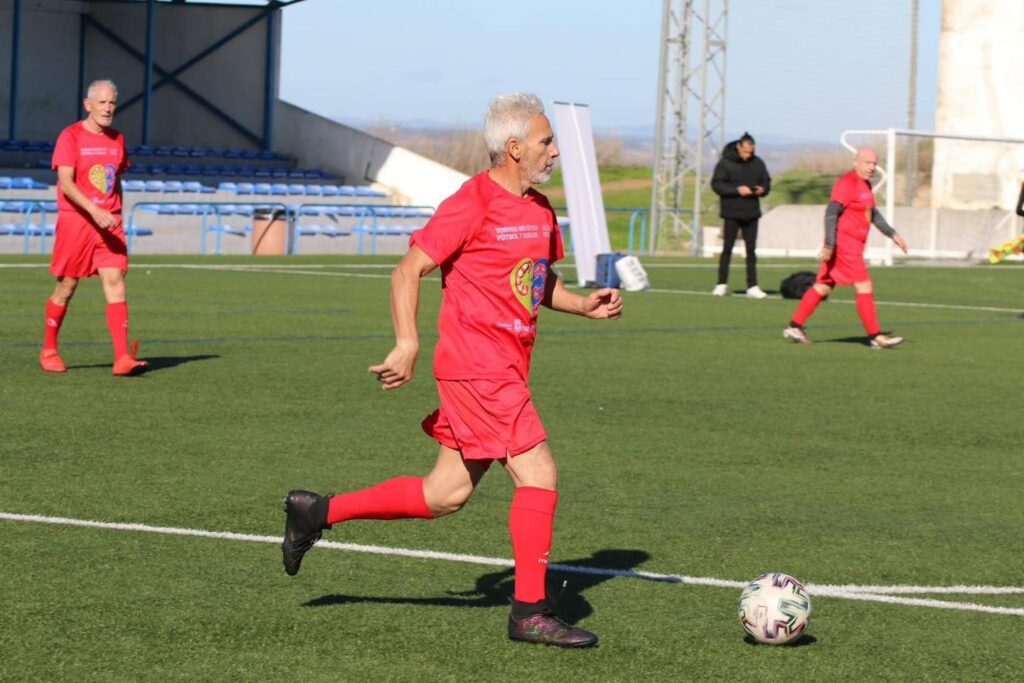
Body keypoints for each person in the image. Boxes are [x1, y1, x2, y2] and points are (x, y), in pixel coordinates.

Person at [280, 93, 622, 649]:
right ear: (515, 148)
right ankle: (529, 612)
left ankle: (315, 512)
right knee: (539, 473)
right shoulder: (471, 203)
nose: (555, 150)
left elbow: (535, 280)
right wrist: (407, 342)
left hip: (506, 368)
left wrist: (583, 305)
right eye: (546, 141)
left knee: (444, 493)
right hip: (477, 369)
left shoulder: (539, 210)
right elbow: (406, 271)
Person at [40, 79, 148, 376]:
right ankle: (49, 349)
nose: (108, 108)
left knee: (116, 280)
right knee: (67, 286)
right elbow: (66, 182)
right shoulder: (70, 136)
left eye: (112, 103)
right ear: (88, 105)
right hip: (77, 220)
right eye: (102, 102)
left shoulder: (117, 139)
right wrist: (94, 210)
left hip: (108, 222)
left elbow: (116, 179)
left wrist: (115, 212)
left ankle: (122, 358)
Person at [783, 148, 908, 349]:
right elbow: (831, 213)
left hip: (851, 245)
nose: (872, 167)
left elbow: (873, 214)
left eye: (874, 164)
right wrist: (830, 245)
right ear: (856, 162)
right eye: (868, 163)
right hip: (844, 244)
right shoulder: (846, 183)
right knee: (864, 285)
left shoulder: (865, 184)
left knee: (823, 286)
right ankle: (876, 336)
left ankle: (794, 327)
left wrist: (893, 234)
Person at [710, 132, 771, 298]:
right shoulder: (725, 163)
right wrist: (736, 190)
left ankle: (753, 286)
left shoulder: (758, 163)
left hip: (751, 212)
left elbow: (766, 182)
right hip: (731, 212)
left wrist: (762, 190)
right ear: (738, 147)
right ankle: (721, 284)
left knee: (751, 250)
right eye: (745, 152)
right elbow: (717, 185)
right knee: (727, 248)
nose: (747, 155)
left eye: (750, 152)